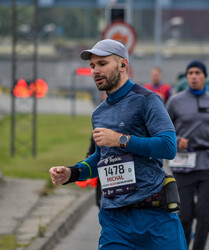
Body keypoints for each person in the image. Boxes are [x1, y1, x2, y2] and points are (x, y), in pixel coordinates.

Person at [49, 39, 187, 250]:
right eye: (92, 66)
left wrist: (121, 139)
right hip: (115, 220)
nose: (95, 70)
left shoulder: (147, 100)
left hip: (155, 216)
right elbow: (102, 157)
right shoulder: (99, 112)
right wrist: (72, 173)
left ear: (123, 64)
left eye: (102, 64)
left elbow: (168, 147)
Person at [166, 60, 209, 250]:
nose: (194, 76)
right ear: (187, 77)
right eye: (190, 73)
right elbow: (163, 129)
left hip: (208, 164)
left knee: (203, 215)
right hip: (183, 164)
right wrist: (177, 139)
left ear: (205, 77)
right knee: (185, 216)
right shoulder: (175, 101)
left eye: (198, 73)